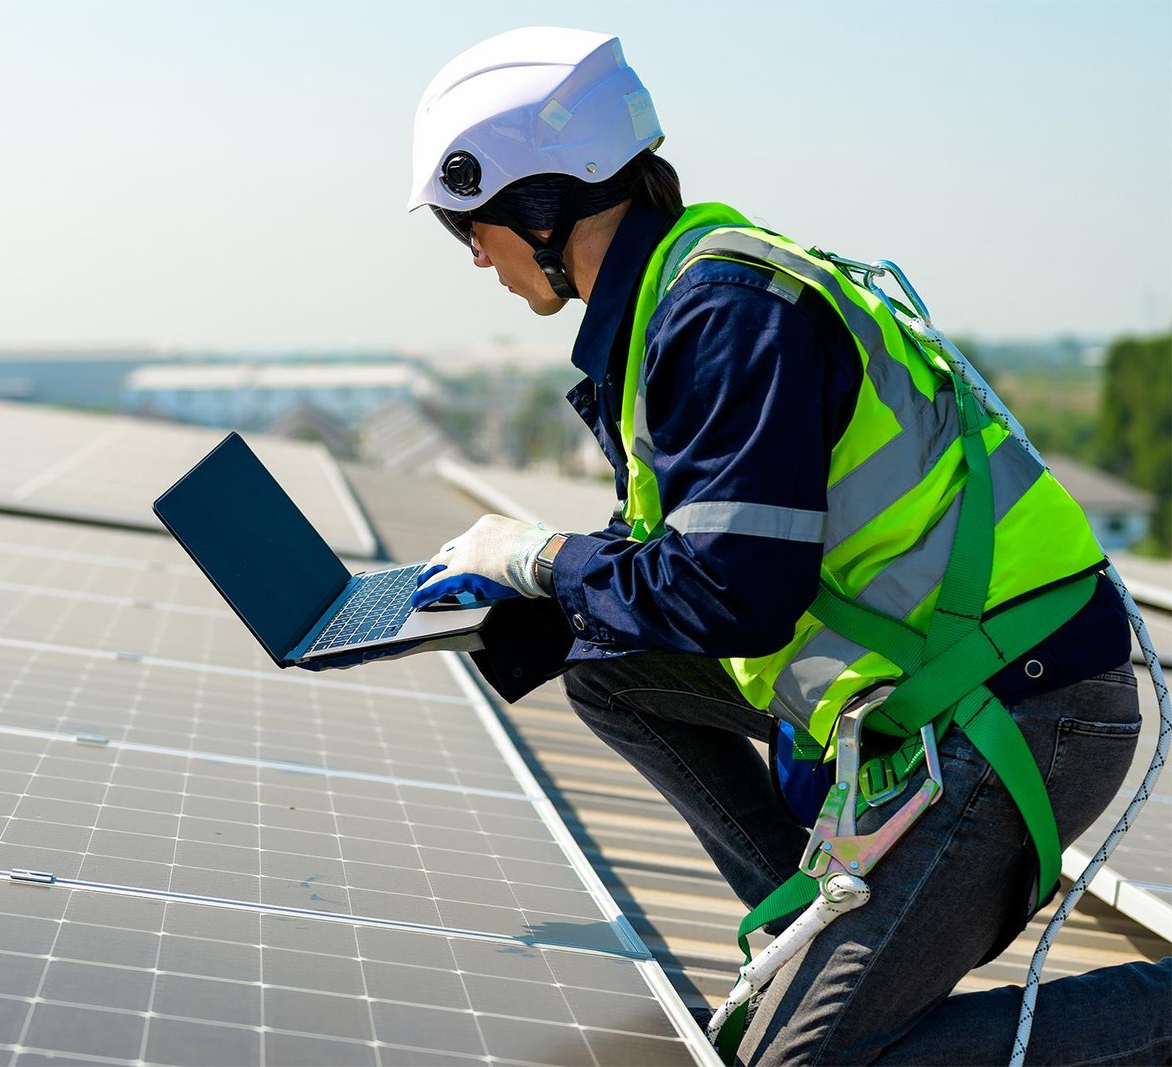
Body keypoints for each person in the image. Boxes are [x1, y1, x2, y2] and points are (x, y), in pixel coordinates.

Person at [405, 26, 1170, 1066]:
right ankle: (808, 924)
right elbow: (688, 568)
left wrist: (539, 557)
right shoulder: (678, 297)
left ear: (541, 201)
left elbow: (735, 593)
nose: (476, 256)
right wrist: (512, 610)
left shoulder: (724, 312)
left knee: (799, 1065)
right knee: (607, 668)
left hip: (1023, 701)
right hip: (932, 674)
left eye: (471, 227)